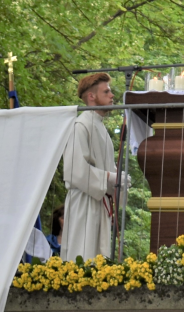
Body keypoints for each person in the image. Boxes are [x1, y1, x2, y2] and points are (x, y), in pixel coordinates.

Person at [61, 73, 129, 262]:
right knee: (82, 254)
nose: (112, 95)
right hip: (83, 203)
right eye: (106, 91)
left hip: (98, 201)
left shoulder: (100, 128)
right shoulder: (80, 125)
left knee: (97, 258)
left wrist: (118, 180)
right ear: (91, 97)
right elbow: (74, 170)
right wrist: (109, 178)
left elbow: (106, 169)